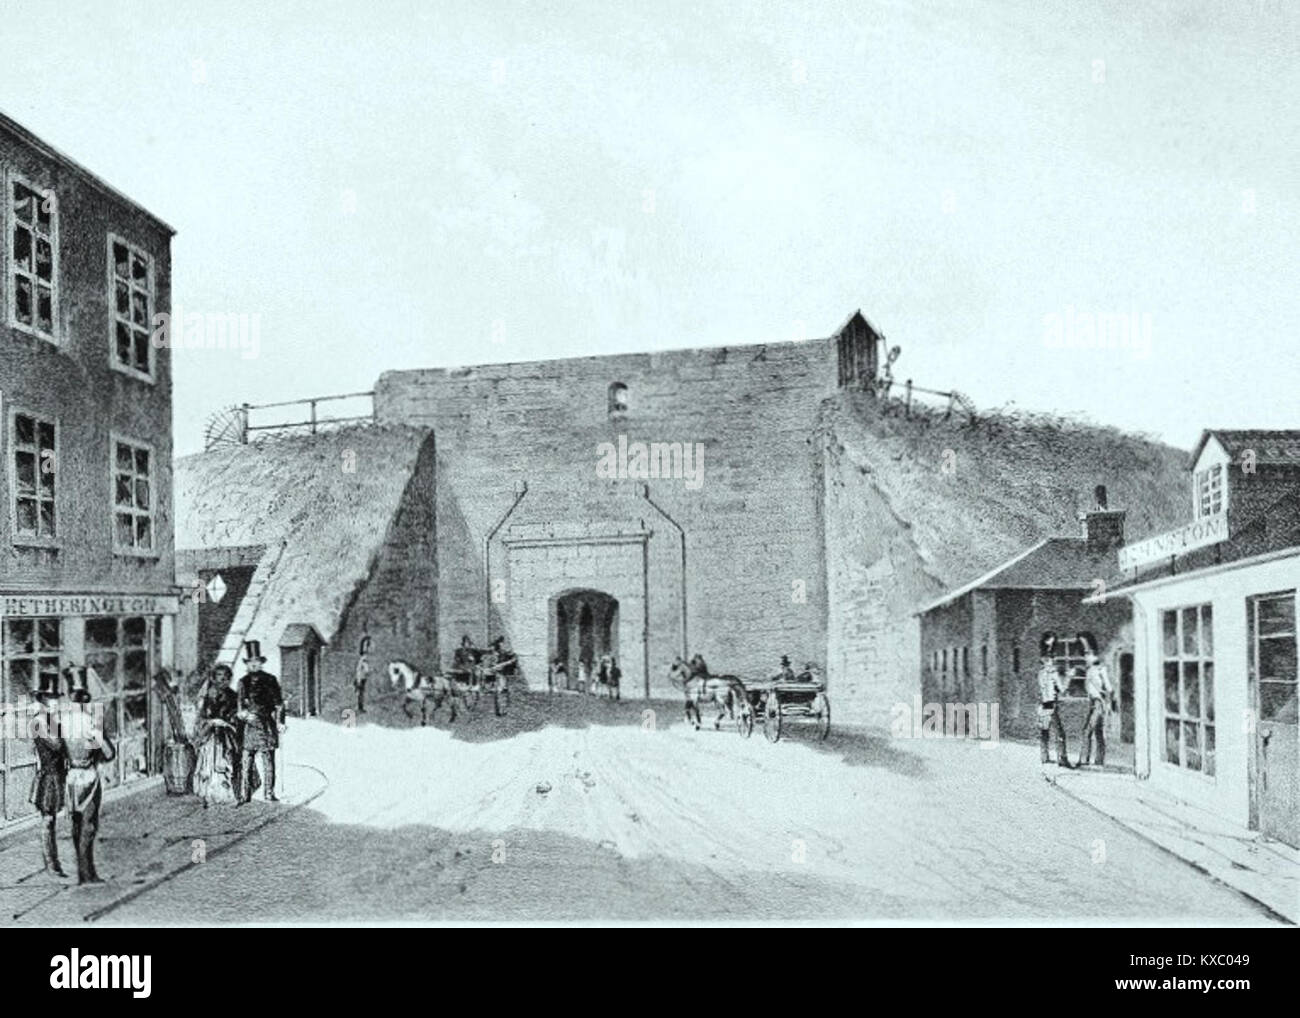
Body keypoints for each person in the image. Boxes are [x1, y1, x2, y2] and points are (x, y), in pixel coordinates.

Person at [63, 667, 116, 886]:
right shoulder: (89, 723)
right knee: (89, 826)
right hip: (88, 778)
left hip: (70, 778)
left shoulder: (62, 721)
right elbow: (109, 753)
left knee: (77, 826)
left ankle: (84, 871)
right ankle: (87, 875)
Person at [29, 672, 69, 881]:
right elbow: (56, 745)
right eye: (50, 698)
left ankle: (54, 863)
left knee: (52, 820)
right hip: (48, 776)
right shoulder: (39, 722)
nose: (54, 702)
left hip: (57, 775)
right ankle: (52, 864)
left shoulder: (52, 720)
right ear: (42, 699)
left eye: (56, 698)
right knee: (48, 820)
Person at [237, 641, 285, 803]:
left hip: (266, 725)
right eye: (250, 662)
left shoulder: (270, 680)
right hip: (250, 726)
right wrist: (244, 715)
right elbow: (239, 708)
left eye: (256, 661)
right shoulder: (243, 682)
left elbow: (279, 705)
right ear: (247, 664)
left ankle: (269, 793)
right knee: (246, 762)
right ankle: (244, 794)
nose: (253, 664)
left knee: (268, 761)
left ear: (261, 663)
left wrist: (280, 722)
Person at [193, 664, 240, 806]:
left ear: (229, 679)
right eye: (219, 676)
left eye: (225, 676)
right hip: (210, 735)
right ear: (214, 678)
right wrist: (210, 722)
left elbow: (236, 716)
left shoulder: (233, 696)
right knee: (208, 765)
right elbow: (201, 716)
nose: (222, 679)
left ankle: (226, 795)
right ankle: (208, 795)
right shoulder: (207, 695)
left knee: (225, 764)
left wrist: (228, 722)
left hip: (226, 735)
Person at [1077, 635, 1115, 768]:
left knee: (1087, 731)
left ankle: (1084, 760)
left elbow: (1109, 688)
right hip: (1093, 703)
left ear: (1094, 654)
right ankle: (1099, 761)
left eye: (1088, 654)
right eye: (1085, 654)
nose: (1086, 657)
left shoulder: (1100, 669)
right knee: (1098, 733)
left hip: (1099, 703)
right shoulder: (1090, 670)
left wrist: (1108, 703)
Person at [1036, 633, 1072, 768]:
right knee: (1060, 734)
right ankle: (1062, 759)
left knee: (1044, 732)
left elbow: (1042, 690)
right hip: (1051, 705)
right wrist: (1069, 677)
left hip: (1043, 705)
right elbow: (1062, 689)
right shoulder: (1053, 673)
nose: (1052, 659)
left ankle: (1044, 757)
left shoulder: (1041, 673)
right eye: (1051, 657)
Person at [355, 635, 372, 715]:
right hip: (361, 678)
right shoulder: (363, 659)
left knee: (361, 693)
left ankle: (360, 707)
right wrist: (368, 671)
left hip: (360, 677)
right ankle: (360, 707)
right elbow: (366, 669)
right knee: (361, 693)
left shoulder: (362, 659)